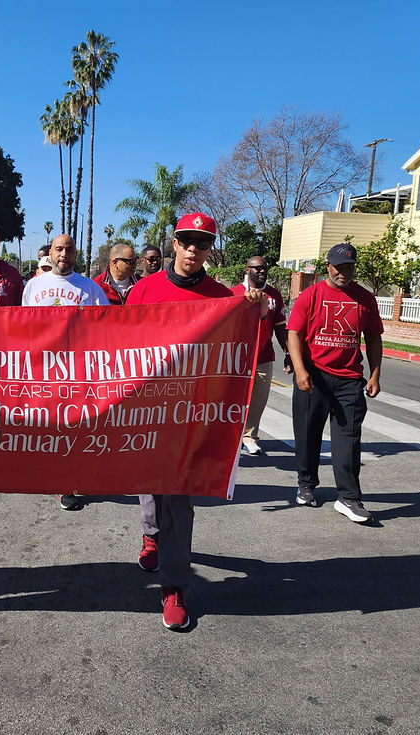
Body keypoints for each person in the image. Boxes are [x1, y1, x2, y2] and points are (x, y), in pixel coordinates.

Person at [126, 212, 267, 630]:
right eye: (186, 240)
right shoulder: (143, 290)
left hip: (190, 414)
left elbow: (241, 348)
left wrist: (252, 311)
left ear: (209, 249)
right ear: (173, 243)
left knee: (178, 497)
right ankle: (151, 534)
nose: (193, 249)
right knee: (149, 484)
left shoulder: (221, 297)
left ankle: (175, 586)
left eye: (202, 243)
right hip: (145, 408)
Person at [287, 243, 383, 524]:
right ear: (328, 266)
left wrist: (376, 373)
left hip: (349, 380)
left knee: (348, 440)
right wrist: (301, 369)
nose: (344, 272)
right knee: (307, 434)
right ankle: (306, 485)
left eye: (350, 267)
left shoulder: (365, 299)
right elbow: (294, 333)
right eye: (339, 267)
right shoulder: (311, 295)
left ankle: (349, 498)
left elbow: (374, 337)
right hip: (313, 375)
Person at [23, 233, 109, 510]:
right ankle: (44, 474)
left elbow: (106, 328)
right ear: (50, 252)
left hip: (78, 373)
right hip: (43, 371)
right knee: (45, 425)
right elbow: (22, 329)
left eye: (69, 250)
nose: (64, 254)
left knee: (72, 429)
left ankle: (66, 483)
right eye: (59, 249)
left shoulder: (91, 288)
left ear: (76, 254)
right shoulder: (34, 286)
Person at [230, 256, 291, 455]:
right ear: (248, 270)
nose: (261, 272)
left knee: (258, 399)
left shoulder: (274, 295)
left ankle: (249, 436)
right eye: (257, 268)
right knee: (234, 399)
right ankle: (231, 436)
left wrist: (288, 352)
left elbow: (281, 327)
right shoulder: (233, 293)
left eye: (264, 268)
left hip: (263, 356)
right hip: (236, 358)